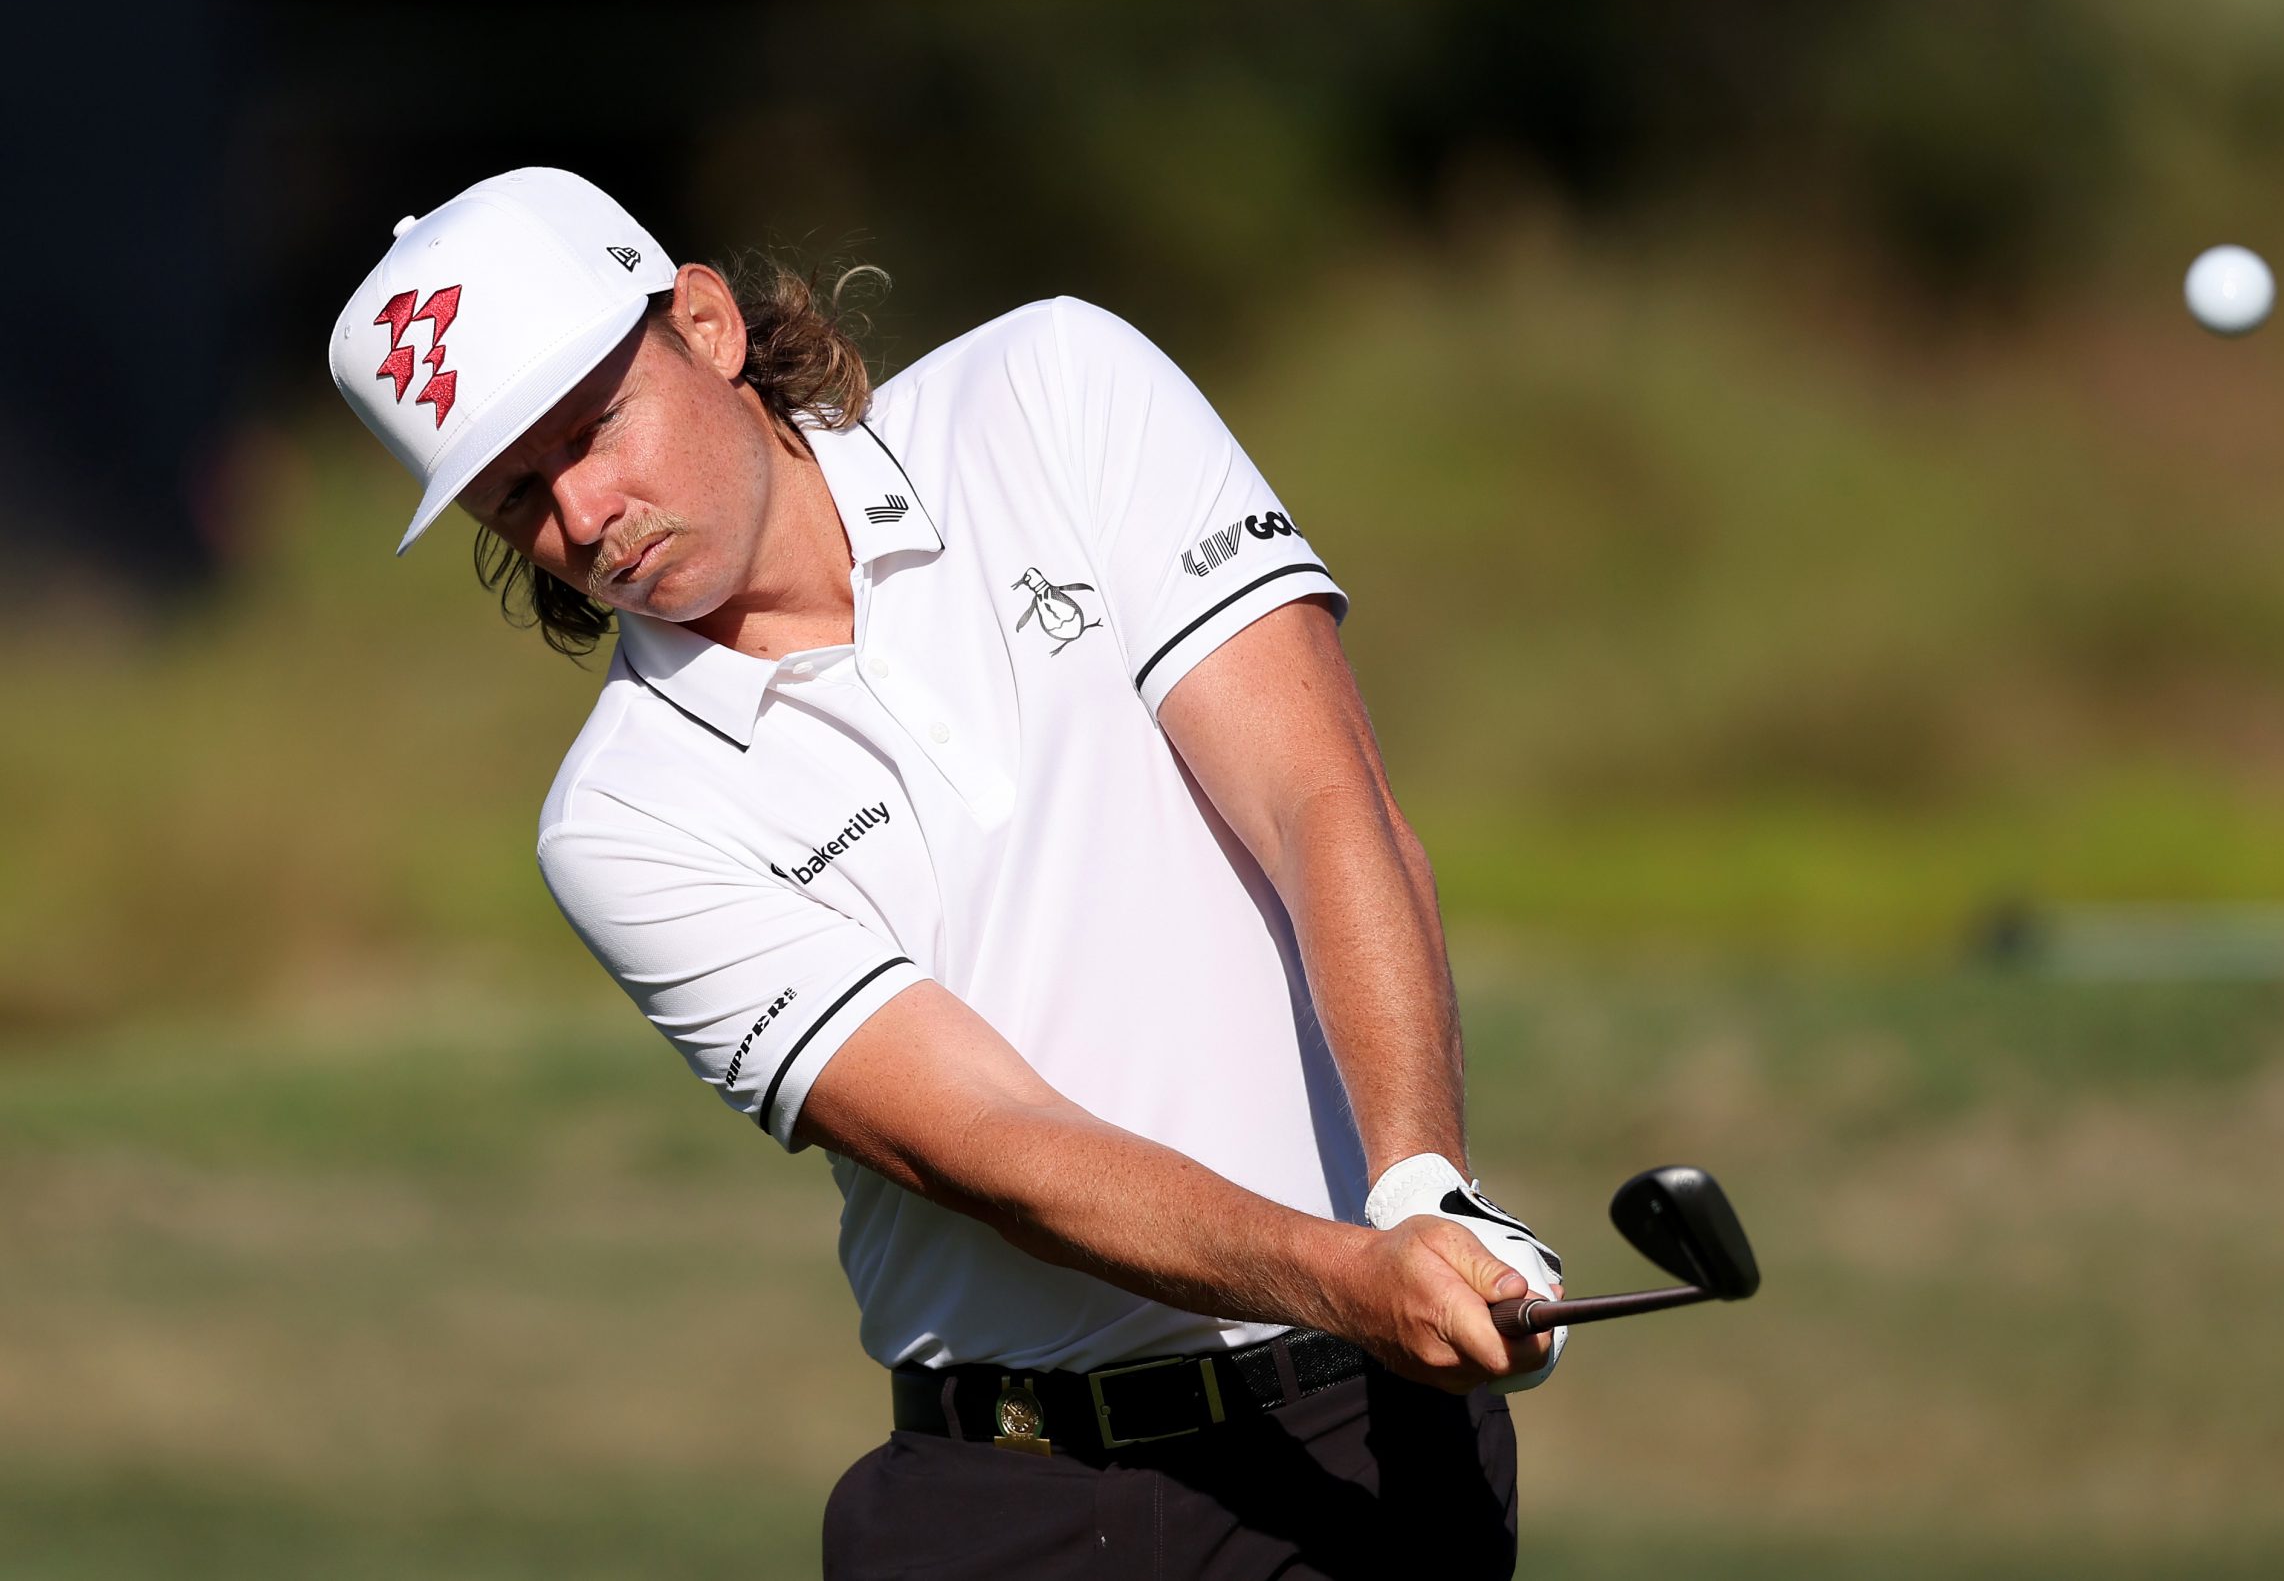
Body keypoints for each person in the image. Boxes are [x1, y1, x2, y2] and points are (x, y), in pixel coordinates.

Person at [327, 166, 1565, 1578]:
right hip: (1020, 1507)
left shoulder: (1050, 388)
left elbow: (1318, 794)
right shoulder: (621, 818)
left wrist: (1422, 1192)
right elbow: (983, 1140)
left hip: (1375, 1440)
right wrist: (1351, 1274)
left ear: (708, 324)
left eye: (594, 427)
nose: (587, 511)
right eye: (518, 492)